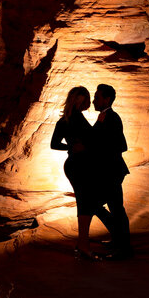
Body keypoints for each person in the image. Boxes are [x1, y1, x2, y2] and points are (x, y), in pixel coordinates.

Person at [50, 86, 101, 260]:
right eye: (84, 98)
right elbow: (54, 144)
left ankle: (82, 244)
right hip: (77, 164)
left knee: (86, 202)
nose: (87, 102)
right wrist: (71, 146)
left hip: (83, 164)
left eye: (87, 99)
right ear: (77, 100)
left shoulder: (78, 118)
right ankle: (84, 246)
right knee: (85, 202)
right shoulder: (66, 121)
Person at [89, 83, 133, 260]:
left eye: (97, 97)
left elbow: (120, 146)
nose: (94, 100)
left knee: (111, 208)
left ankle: (124, 248)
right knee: (112, 208)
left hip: (111, 172)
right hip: (109, 171)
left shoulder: (111, 118)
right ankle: (119, 242)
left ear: (107, 99)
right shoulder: (105, 116)